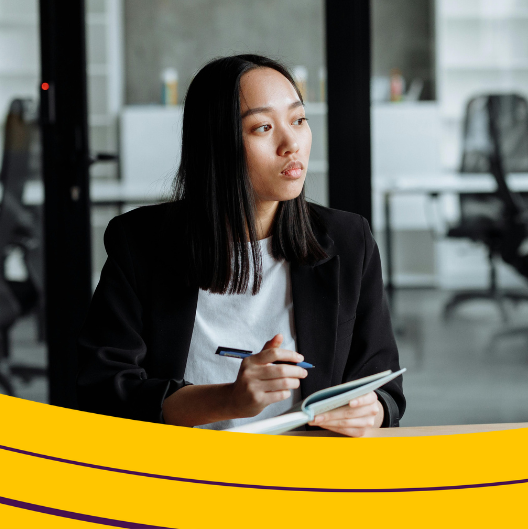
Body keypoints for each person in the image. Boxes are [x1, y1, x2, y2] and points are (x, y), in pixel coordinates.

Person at [77, 54, 404, 436]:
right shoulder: (141, 243)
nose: (290, 144)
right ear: (215, 143)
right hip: (183, 475)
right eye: (263, 127)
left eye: (298, 120)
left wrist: (374, 410)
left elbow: (384, 385)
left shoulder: (348, 241)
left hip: (307, 475)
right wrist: (227, 401)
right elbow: (105, 394)